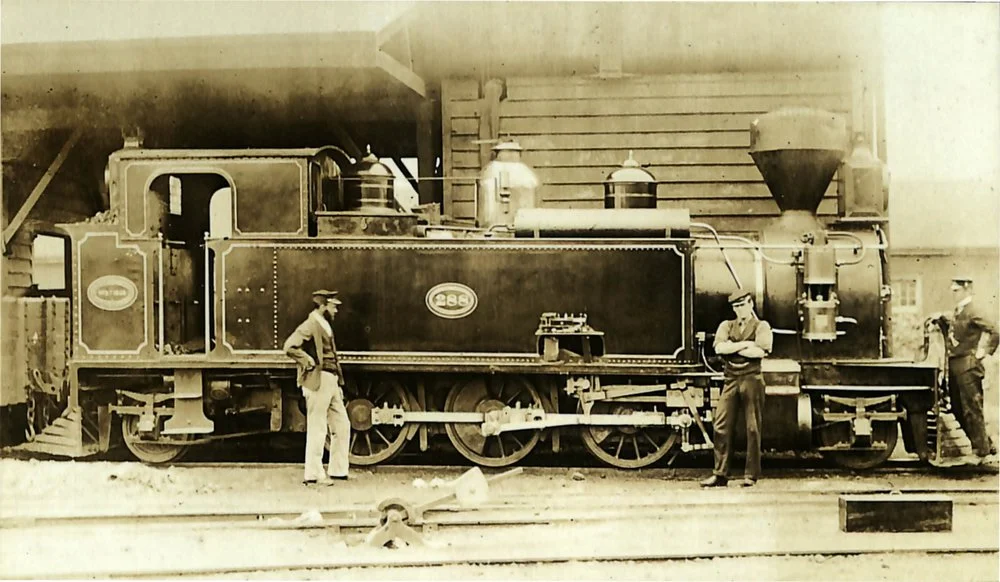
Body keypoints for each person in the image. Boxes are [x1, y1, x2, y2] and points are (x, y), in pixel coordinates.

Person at [701, 288, 773, 488]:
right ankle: (720, 474)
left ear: (750, 304)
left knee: (752, 428)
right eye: (736, 306)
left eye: (742, 305)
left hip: (752, 379)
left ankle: (751, 475)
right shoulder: (726, 325)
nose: (739, 309)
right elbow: (719, 348)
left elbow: (761, 351)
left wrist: (733, 346)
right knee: (721, 425)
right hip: (731, 379)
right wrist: (745, 345)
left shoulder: (762, 326)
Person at [283, 289, 352, 485]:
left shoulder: (325, 325)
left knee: (342, 424)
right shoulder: (310, 325)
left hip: (331, 380)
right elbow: (289, 346)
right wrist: (308, 361)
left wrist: (337, 381)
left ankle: (338, 470)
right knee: (318, 427)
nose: (336, 310)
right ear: (323, 306)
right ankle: (313, 474)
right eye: (333, 306)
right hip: (318, 380)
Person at [943, 276, 999, 464]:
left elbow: (995, 329)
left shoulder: (974, 310)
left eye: (957, 290)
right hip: (956, 364)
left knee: (971, 408)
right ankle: (986, 445)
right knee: (958, 408)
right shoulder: (960, 310)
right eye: (953, 290)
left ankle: (980, 452)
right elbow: (958, 329)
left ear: (967, 290)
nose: (954, 293)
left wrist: (985, 351)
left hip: (967, 365)